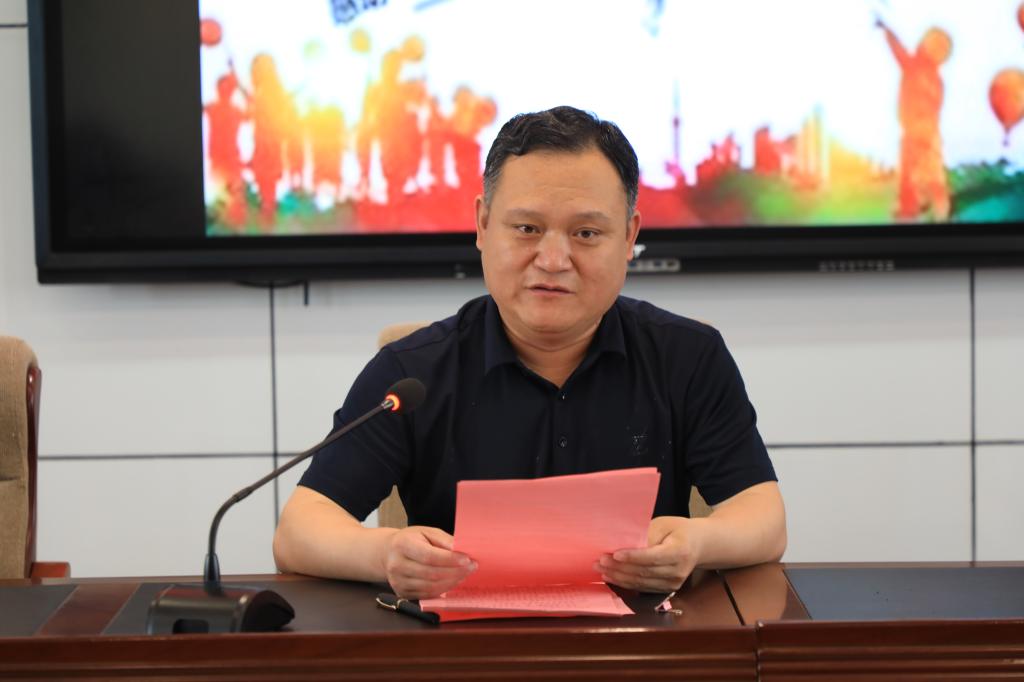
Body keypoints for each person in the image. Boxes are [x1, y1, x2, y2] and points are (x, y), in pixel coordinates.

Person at [274, 106, 786, 599]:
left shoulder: (688, 358)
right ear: (482, 224)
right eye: (527, 229)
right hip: (464, 645)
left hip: (639, 638)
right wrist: (384, 554)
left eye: (586, 233)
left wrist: (698, 542)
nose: (554, 259)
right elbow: (299, 532)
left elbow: (764, 518)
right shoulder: (412, 374)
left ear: (629, 237)